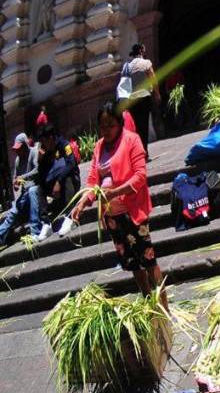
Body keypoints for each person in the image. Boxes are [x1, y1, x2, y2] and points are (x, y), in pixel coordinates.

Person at [71, 103, 164, 309]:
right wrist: (82, 202)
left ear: (120, 123)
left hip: (132, 212)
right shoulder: (99, 146)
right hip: (112, 217)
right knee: (132, 264)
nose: (106, 131)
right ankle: (149, 305)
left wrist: (115, 192)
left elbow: (140, 176)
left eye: (110, 126)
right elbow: (93, 180)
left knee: (148, 260)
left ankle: (163, 309)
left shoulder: (132, 140)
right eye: (102, 126)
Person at [35, 124, 80, 238]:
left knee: (67, 177)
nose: (43, 145)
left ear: (50, 138)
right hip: (55, 186)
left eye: (44, 141)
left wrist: (58, 181)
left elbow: (71, 164)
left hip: (71, 182)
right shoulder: (46, 151)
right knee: (39, 189)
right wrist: (40, 161)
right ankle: (46, 223)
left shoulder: (64, 145)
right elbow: (42, 177)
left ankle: (70, 217)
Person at [0, 134, 44, 244]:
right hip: (25, 194)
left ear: (25, 145)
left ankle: (35, 231)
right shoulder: (18, 160)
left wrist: (23, 177)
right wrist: (16, 185)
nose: (17, 152)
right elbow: (16, 179)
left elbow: (37, 170)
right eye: (16, 149)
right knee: (13, 212)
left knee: (32, 190)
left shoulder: (34, 152)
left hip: (36, 188)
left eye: (19, 149)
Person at [117, 43, 161, 153]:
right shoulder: (146, 63)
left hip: (132, 100)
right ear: (141, 51)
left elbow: (123, 83)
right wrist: (157, 94)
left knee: (135, 126)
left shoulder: (127, 66)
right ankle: (144, 150)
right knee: (144, 125)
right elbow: (153, 79)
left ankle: (138, 151)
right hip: (144, 97)